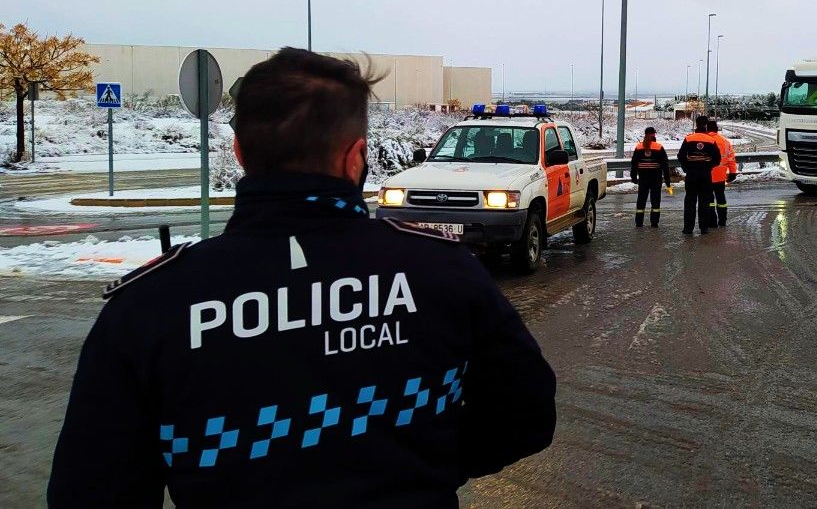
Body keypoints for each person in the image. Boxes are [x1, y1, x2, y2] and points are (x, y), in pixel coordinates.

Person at [47, 48, 556, 508]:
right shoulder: (446, 273)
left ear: (241, 155)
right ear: (355, 157)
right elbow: (527, 413)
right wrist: (428, 463)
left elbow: (90, 491)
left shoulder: (148, 309)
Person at [677, 115, 722, 235]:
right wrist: (708, 166)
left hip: (691, 174)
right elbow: (717, 159)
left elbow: (680, 156)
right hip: (705, 175)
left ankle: (688, 228)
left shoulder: (689, 138)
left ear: (696, 125)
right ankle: (704, 228)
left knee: (690, 201)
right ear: (706, 125)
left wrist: (687, 168)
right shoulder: (711, 140)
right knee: (704, 201)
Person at [629, 127, 672, 228]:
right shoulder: (659, 147)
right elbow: (665, 166)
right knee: (655, 201)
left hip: (643, 179)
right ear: (654, 135)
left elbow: (634, 164)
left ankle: (639, 222)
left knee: (641, 201)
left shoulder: (639, 147)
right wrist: (667, 181)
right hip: (655, 179)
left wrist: (634, 177)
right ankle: (654, 222)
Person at [706, 119, 738, 228]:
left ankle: (712, 221)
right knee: (721, 198)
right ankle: (723, 220)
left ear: (707, 129)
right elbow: (731, 158)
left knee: (709, 199)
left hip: (707, 175)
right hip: (721, 175)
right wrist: (732, 172)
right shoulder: (725, 141)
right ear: (717, 129)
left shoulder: (706, 140)